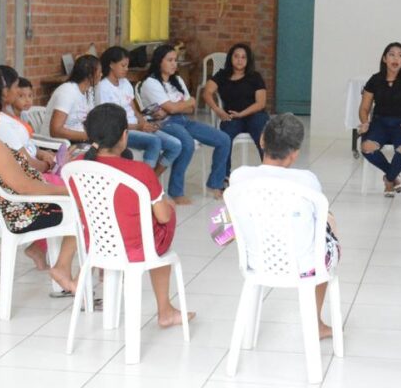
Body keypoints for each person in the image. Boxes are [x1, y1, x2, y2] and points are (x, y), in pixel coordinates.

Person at [68, 103, 195, 328]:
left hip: (96, 244)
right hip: (136, 248)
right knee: (166, 214)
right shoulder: (141, 172)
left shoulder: (77, 166)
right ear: (124, 136)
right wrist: (167, 203)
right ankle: (165, 310)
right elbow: (164, 218)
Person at [0, 93, 79, 287]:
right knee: (84, 209)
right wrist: (68, 192)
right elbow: (25, 187)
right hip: (23, 212)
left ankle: (60, 266)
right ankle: (63, 269)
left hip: (8, 210)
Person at [230, 113, 340, 339]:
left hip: (256, 262)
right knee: (328, 222)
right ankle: (316, 323)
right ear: (294, 154)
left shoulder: (239, 177)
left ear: (262, 141)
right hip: (303, 266)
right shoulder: (307, 180)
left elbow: (224, 227)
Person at [139, 44, 231, 205]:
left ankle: (215, 184)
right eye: (170, 60)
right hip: (164, 123)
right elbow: (174, 107)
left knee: (223, 139)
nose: (174, 64)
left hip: (183, 120)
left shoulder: (178, 80)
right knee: (186, 143)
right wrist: (178, 106)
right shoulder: (150, 83)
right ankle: (176, 191)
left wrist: (176, 107)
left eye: (175, 60)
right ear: (159, 62)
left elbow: (191, 107)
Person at [96, 46, 181, 176]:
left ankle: (151, 177)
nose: (126, 69)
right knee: (154, 141)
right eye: (123, 66)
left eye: (127, 66)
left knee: (175, 145)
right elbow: (110, 123)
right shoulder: (103, 88)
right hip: (120, 132)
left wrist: (144, 123)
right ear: (111, 65)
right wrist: (138, 126)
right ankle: (145, 182)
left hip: (137, 126)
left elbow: (134, 110)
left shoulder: (125, 83)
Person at [358, 42, 401, 196]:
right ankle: (394, 177)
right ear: (384, 59)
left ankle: (388, 179)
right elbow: (364, 108)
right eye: (392, 54)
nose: (396, 58)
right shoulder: (375, 80)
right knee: (367, 148)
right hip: (379, 123)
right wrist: (365, 123)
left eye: (400, 55)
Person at [0, 67, 55, 176]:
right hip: (33, 176)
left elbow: (24, 145)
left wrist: (41, 154)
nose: (17, 90)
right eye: (15, 86)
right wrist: (49, 165)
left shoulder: (1, 117)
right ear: (0, 91)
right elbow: (26, 165)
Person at [202, 43, 270, 183]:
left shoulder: (255, 77)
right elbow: (207, 93)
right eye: (236, 56)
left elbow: (260, 103)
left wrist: (242, 113)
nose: (240, 60)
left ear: (248, 60)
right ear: (230, 58)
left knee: (261, 134)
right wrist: (217, 110)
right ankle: (223, 176)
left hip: (254, 114)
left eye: (243, 57)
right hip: (232, 116)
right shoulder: (222, 75)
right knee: (224, 137)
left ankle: (270, 172)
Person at [42, 55, 100, 144]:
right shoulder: (67, 92)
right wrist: (88, 136)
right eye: (99, 72)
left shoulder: (88, 91)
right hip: (59, 144)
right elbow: (55, 131)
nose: (101, 75)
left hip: (78, 140)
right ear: (90, 75)